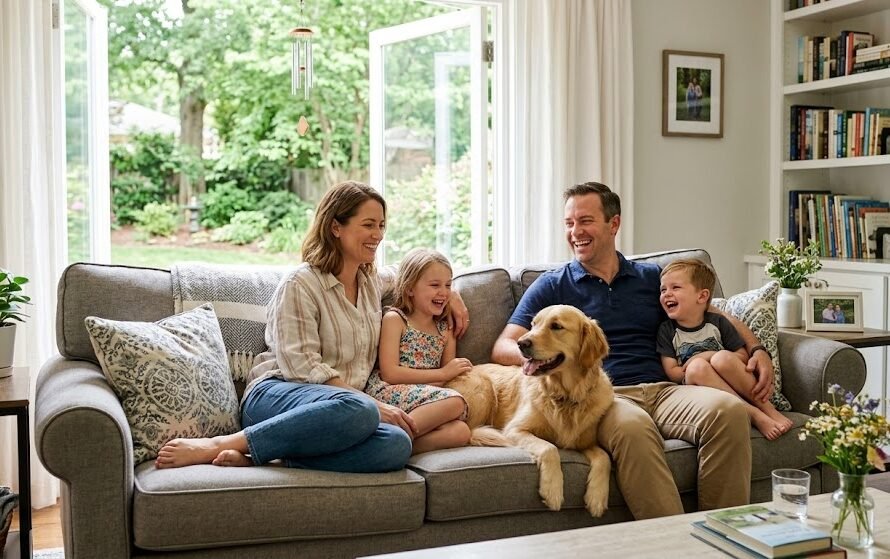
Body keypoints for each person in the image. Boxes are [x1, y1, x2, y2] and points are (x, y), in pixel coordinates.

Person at [491, 181, 775, 520]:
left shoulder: (651, 277)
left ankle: (723, 535)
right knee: (634, 431)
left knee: (728, 410)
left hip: (666, 389)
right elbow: (504, 346)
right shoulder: (553, 285)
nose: (575, 232)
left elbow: (713, 312)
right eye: (569, 223)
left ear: (614, 224)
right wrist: (545, 357)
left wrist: (757, 349)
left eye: (585, 221)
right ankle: (672, 545)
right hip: (608, 396)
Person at [154, 181, 468, 472]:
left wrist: (451, 293)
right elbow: (302, 367)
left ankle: (272, 458)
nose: (378, 234)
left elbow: (410, 273)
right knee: (362, 409)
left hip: (342, 413)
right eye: (368, 225)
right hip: (279, 395)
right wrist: (373, 405)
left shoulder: (369, 281)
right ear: (336, 227)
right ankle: (223, 443)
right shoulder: (300, 284)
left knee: (397, 445)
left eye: (382, 225)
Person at [657, 259, 793, 441]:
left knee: (722, 358)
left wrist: (709, 355)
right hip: (696, 384)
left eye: (675, 287)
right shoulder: (667, 330)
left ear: (702, 296)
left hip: (727, 376)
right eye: (663, 289)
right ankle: (753, 414)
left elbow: (742, 356)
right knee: (697, 367)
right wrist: (700, 362)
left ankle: (769, 409)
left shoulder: (718, 322)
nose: (667, 294)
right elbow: (672, 372)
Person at [365, 248, 472, 454]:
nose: (443, 292)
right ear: (410, 288)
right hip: (389, 392)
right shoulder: (396, 319)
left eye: (448, 285)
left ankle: (397, 447)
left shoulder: (445, 329)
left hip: (424, 396)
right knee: (456, 402)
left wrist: (443, 376)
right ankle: (385, 439)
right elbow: (390, 373)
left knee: (461, 432)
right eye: (434, 285)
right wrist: (442, 374)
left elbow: (445, 378)